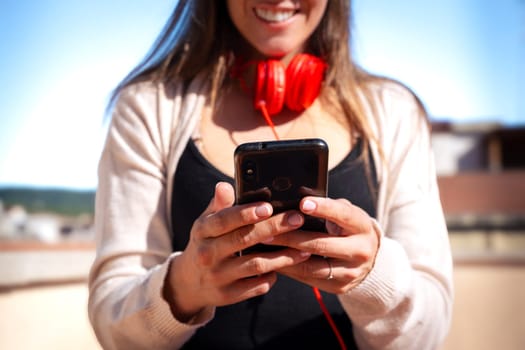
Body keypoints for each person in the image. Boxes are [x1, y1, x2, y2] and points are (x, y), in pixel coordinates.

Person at [88, 1, 454, 349]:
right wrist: (184, 286)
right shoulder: (148, 107)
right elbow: (114, 328)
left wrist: (375, 275)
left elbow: (430, 332)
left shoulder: (395, 112)